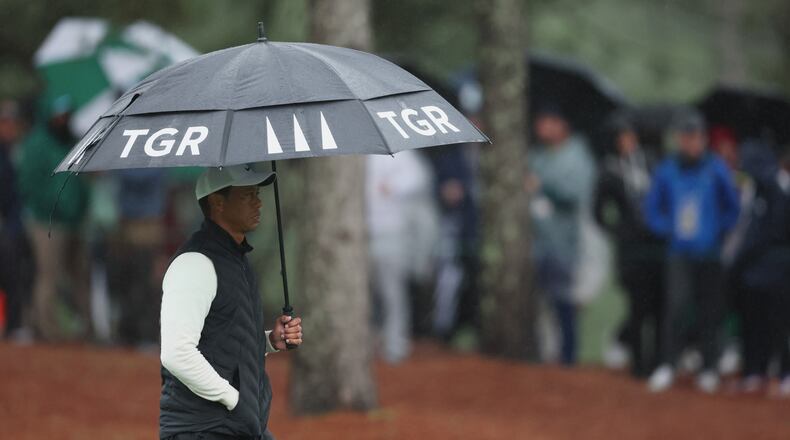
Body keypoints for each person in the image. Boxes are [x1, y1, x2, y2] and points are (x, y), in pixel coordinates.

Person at [159, 164, 303, 440]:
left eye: (257, 193)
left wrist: (270, 340)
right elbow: (176, 353)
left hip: (238, 426)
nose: (258, 202)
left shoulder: (235, 258)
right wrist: (234, 400)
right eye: (247, 195)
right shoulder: (195, 263)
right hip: (203, 430)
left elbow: (222, 339)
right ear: (217, 202)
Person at [644, 110, 740, 393]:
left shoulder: (716, 168)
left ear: (703, 139)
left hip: (709, 252)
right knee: (675, 306)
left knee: (710, 310)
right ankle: (667, 365)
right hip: (678, 251)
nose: (690, 143)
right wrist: (667, 228)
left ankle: (709, 367)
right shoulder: (667, 169)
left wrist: (717, 231)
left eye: (695, 138)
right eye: (685, 138)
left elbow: (732, 207)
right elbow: (652, 208)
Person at [594, 116, 664, 376]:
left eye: (630, 136)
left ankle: (658, 361)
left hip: (656, 246)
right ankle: (639, 364)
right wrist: (618, 231)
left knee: (658, 306)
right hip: (632, 250)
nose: (628, 142)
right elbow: (598, 212)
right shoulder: (609, 170)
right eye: (622, 137)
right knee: (637, 307)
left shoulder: (652, 162)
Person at [17, 94, 91, 342]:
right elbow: (29, 184)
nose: (63, 118)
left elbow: (83, 180)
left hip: (74, 221)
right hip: (45, 221)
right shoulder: (36, 144)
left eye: (66, 114)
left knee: (81, 275)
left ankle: (88, 330)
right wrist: (53, 207)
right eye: (58, 114)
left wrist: (81, 207)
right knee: (49, 275)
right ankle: (48, 330)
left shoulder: (74, 141)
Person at [526, 105, 596, 366]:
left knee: (563, 302)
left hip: (563, 242)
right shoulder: (538, 155)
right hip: (537, 240)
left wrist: (544, 185)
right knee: (537, 305)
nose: (541, 127)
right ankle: (545, 354)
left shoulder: (578, 157)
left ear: (562, 124)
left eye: (547, 121)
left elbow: (575, 194)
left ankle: (567, 357)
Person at [367, 150, 439, 363]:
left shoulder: (399, 154)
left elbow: (420, 177)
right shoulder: (355, 155)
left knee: (392, 293)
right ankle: (372, 342)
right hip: (361, 235)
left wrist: (393, 187)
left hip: (392, 233)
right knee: (367, 296)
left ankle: (396, 344)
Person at [731, 142, 790, 395]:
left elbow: (763, 234)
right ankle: (755, 372)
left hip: (776, 271)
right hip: (753, 272)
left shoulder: (778, 191)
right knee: (754, 324)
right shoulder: (753, 191)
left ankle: (783, 373)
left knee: (781, 325)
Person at [108, 168, 168, 347]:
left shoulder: (141, 159)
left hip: (147, 227)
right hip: (129, 226)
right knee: (127, 283)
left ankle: (145, 333)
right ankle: (129, 332)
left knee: (146, 284)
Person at [0, 99, 34, 342]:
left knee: (14, 275)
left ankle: (13, 326)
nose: (10, 127)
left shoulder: (15, 151)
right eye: (5, 122)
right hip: (6, 223)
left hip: (12, 224)